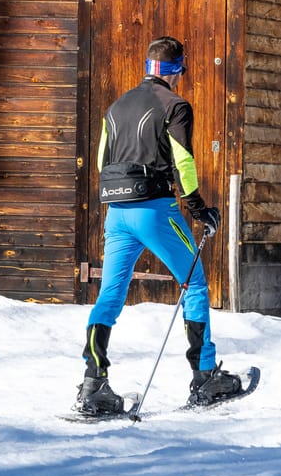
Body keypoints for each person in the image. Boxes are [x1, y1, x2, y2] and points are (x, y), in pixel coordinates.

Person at [76, 36, 243, 416]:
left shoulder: (116, 107)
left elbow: (103, 160)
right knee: (195, 282)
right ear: (177, 70)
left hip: (117, 211)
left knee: (110, 295)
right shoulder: (176, 106)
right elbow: (183, 161)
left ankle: (93, 382)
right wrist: (199, 209)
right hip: (155, 210)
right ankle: (204, 377)